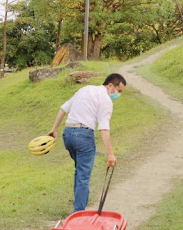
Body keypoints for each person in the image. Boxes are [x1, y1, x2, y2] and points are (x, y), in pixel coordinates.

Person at [48, 73, 127, 212]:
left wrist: (54, 129)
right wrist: (110, 154)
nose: (118, 95)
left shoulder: (85, 89)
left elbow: (63, 109)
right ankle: (78, 213)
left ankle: (78, 208)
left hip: (68, 135)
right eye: (118, 91)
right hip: (83, 136)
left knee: (79, 172)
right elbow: (103, 127)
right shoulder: (106, 100)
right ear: (110, 86)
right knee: (83, 176)